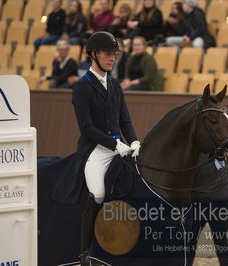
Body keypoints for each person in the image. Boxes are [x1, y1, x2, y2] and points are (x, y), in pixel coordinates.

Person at [70, 31, 140, 265]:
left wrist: (134, 141)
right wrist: (115, 144)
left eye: (114, 55)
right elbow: (87, 128)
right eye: (107, 54)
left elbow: (125, 121)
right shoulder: (82, 87)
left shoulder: (115, 85)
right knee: (98, 193)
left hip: (119, 147)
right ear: (93, 55)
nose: (112, 59)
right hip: (95, 150)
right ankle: (84, 253)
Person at [188, 153, 228, 266]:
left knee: (190, 241)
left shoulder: (195, 152)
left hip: (201, 201)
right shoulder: (222, 151)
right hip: (223, 200)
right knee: (221, 241)